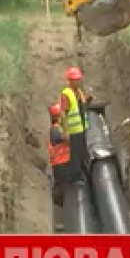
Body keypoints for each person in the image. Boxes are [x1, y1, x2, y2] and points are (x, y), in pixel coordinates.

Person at [58, 67, 93, 181]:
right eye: (76, 80)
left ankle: (86, 176)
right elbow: (63, 113)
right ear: (70, 81)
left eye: (79, 79)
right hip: (73, 132)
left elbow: (82, 109)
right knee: (75, 157)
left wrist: (88, 101)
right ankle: (75, 180)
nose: (78, 81)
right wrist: (66, 131)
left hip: (81, 130)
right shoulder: (66, 94)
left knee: (83, 155)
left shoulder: (79, 92)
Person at [46, 102, 71, 231]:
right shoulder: (55, 130)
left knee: (64, 187)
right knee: (63, 188)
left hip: (63, 163)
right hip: (60, 164)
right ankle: (64, 213)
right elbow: (65, 139)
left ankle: (63, 207)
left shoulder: (57, 127)